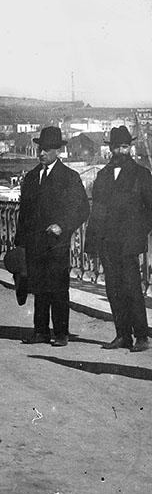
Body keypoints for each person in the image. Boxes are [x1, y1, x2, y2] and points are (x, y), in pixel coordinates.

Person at [14, 126, 90, 347]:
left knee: (57, 288)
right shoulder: (30, 178)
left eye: (47, 149)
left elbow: (83, 209)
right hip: (34, 243)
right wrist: (20, 243)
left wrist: (63, 226)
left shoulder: (69, 177)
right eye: (40, 149)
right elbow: (24, 213)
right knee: (38, 287)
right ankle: (40, 331)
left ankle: (61, 333)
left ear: (58, 151)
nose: (41, 153)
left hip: (56, 243)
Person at [83, 126, 152, 352]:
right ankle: (122, 335)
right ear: (110, 148)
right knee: (113, 288)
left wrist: (140, 234)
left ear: (130, 147)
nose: (121, 150)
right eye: (117, 146)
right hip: (107, 241)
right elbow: (97, 211)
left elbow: (150, 209)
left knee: (132, 288)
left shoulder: (141, 174)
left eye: (125, 146)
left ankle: (141, 336)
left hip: (129, 243)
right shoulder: (102, 175)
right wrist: (92, 243)